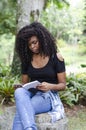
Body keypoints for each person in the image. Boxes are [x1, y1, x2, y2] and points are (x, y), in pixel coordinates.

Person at [12, 21, 66, 130]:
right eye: (29, 45)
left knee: (23, 109)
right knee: (19, 92)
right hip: (32, 93)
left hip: (48, 96)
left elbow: (63, 85)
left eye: (34, 42)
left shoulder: (56, 57)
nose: (32, 46)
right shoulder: (27, 59)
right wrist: (21, 86)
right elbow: (25, 83)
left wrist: (50, 86)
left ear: (42, 39)